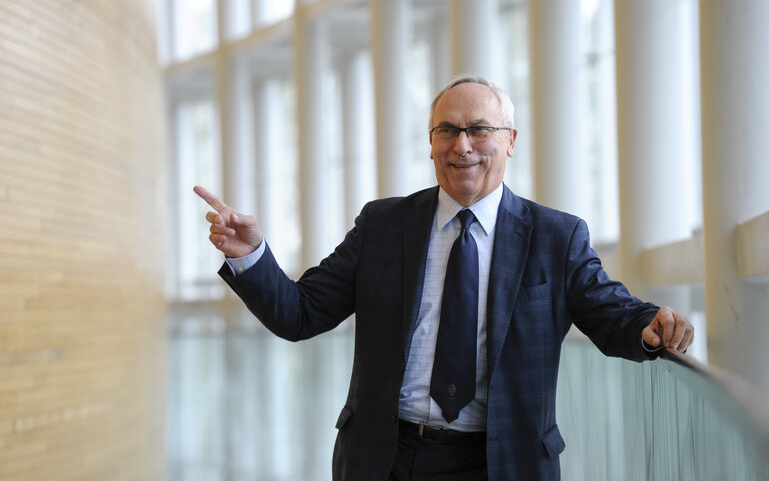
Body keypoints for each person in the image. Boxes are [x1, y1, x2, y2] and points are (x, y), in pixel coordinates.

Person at [194, 74, 694, 481]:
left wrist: (650, 324)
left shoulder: (556, 236)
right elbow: (299, 313)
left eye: (480, 129)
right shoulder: (383, 225)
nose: (463, 145)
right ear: (431, 143)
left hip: (502, 462)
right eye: (447, 130)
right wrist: (252, 255)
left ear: (510, 141)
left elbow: (608, 311)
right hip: (387, 458)